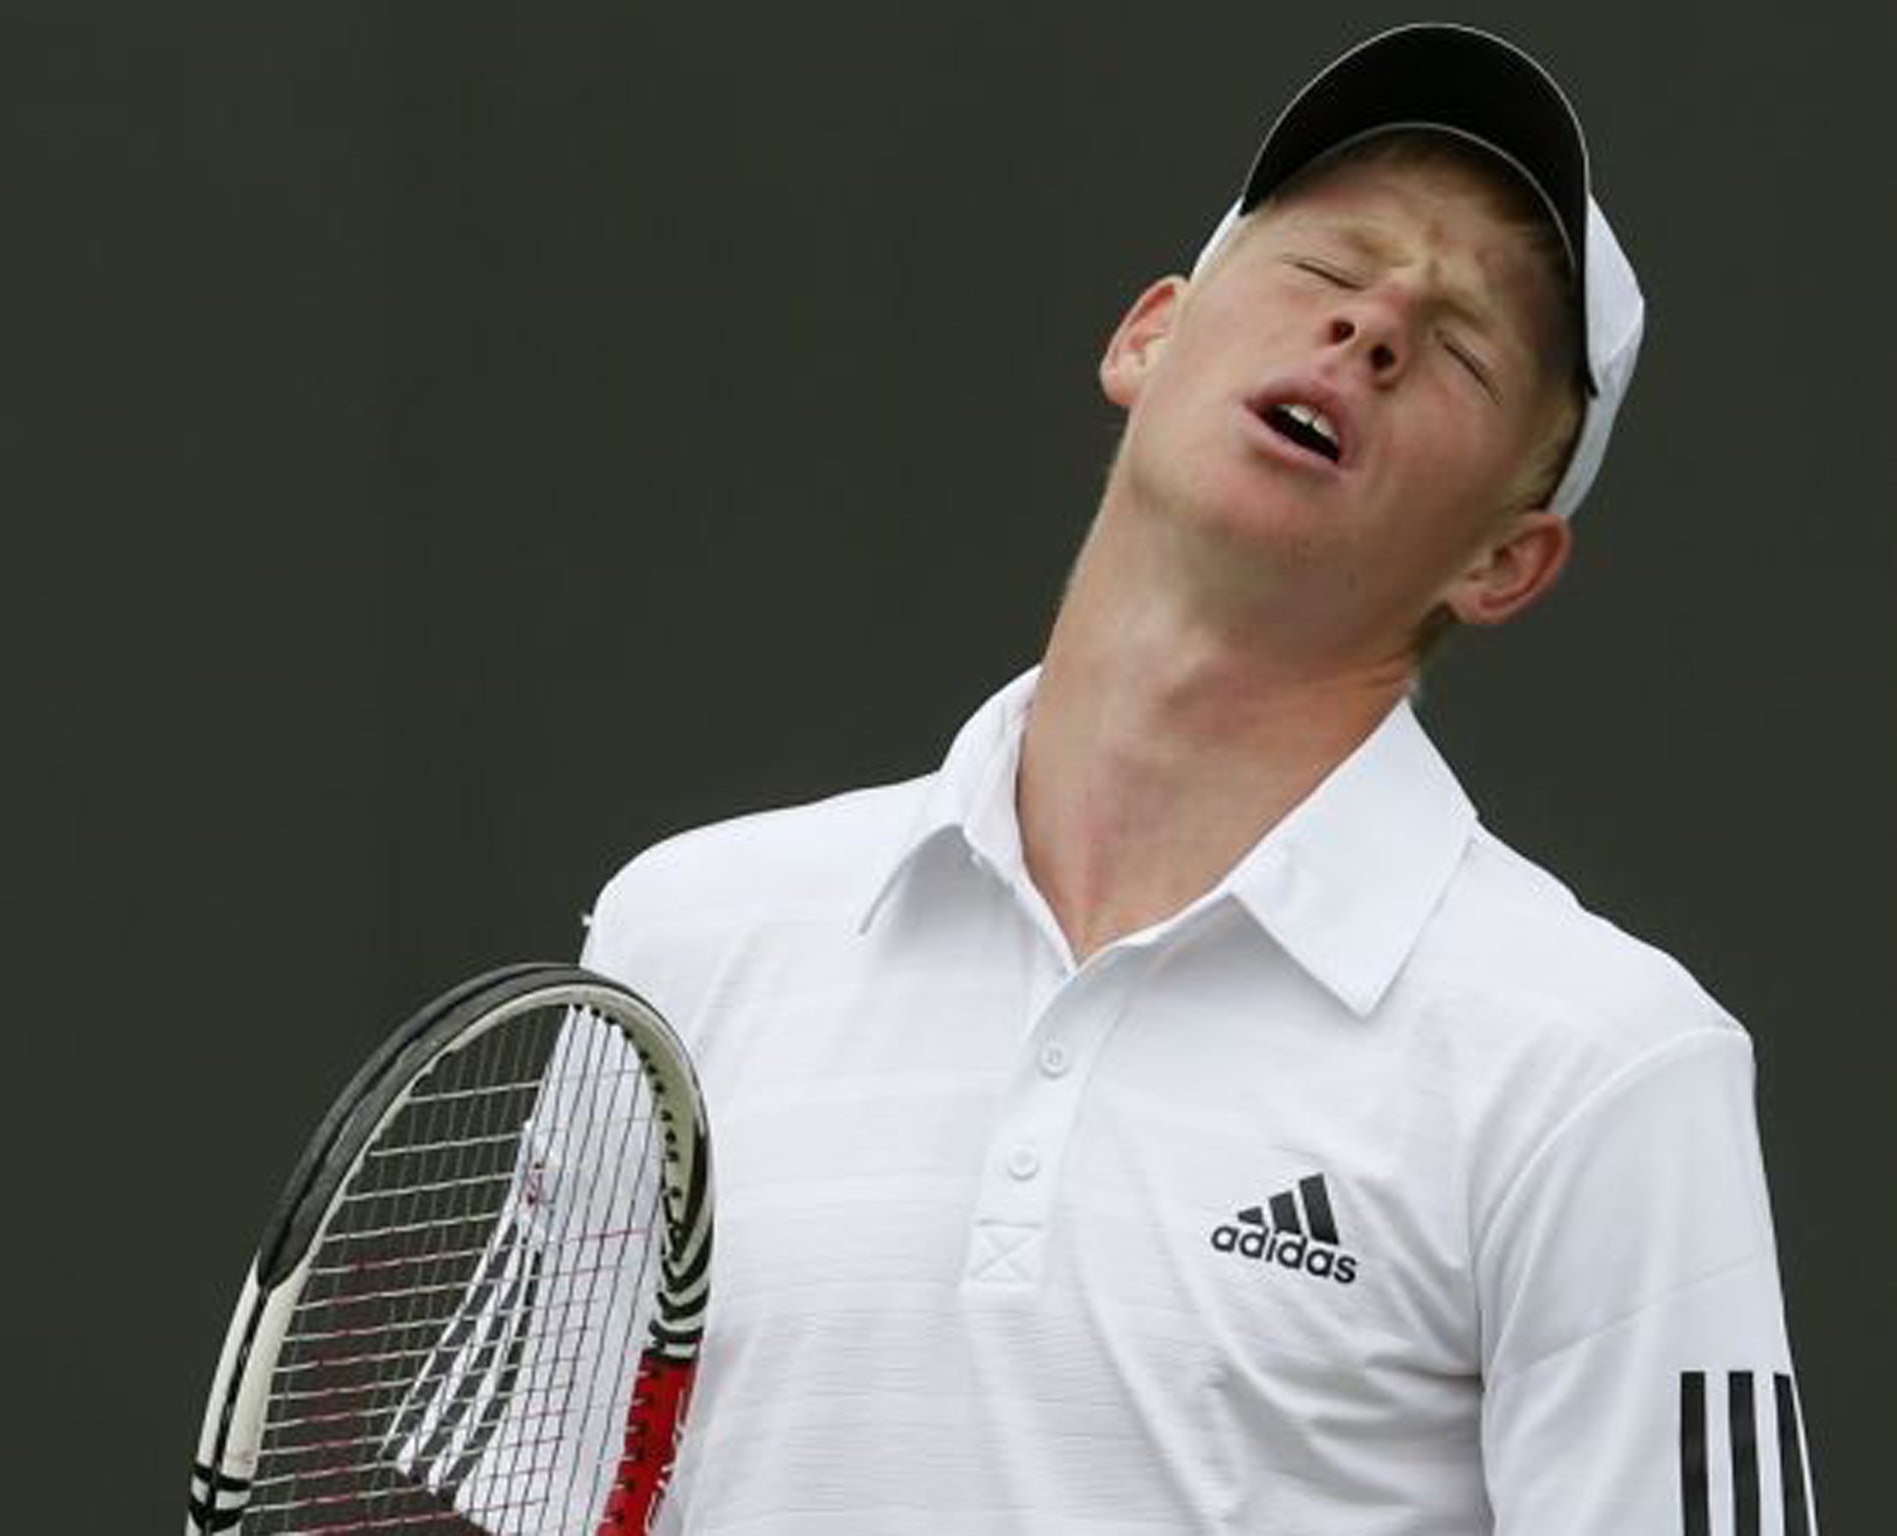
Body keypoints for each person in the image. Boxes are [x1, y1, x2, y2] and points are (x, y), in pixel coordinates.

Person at [576, 24, 1813, 1534]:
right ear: (1148, 335)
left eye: (1467, 341)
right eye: (1327, 269)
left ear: (1507, 560)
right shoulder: (679, 942)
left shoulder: (1604, 1071)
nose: (1376, 328)